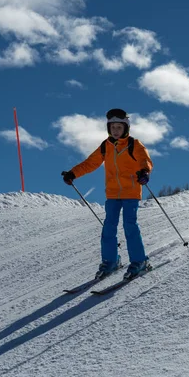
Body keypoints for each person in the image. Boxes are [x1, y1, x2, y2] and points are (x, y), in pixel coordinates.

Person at [62, 108, 153, 280]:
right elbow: (91, 163)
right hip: (112, 194)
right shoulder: (106, 146)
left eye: (119, 127)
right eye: (113, 128)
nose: (116, 131)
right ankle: (110, 261)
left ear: (126, 128)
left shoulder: (134, 144)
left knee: (130, 225)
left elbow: (145, 160)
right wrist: (73, 173)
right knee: (108, 228)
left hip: (131, 192)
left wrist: (144, 172)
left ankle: (140, 261)